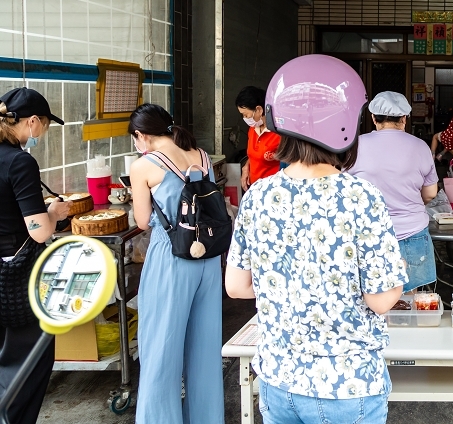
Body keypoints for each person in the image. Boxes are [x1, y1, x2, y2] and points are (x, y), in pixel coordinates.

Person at [225, 55, 407, 424]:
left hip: (279, 381)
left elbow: (237, 285)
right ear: (345, 124)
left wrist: (293, 286)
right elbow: (383, 299)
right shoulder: (361, 196)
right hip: (347, 384)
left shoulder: (258, 195)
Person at [128, 104, 224, 424]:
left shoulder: (143, 165)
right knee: (204, 351)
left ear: (141, 136)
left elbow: (143, 222)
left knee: (161, 350)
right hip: (207, 260)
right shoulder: (202, 156)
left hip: (170, 259)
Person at [0, 88, 69, 424]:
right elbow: (39, 230)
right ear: (31, 122)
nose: (42, 131)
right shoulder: (20, 161)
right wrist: (53, 212)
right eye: (44, 124)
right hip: (15, 281)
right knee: (30, 363)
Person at [348, 91, 438, 293]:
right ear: (404, 119)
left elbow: (345, 189)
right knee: (410, 298)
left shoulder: (356, 146)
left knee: (372, 296)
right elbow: (431, 193)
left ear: (373, 118)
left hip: (369, 234)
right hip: (413, 232)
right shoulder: (420, 146)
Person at [236, 86, 281, 191]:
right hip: (254, 189)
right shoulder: (252, 129)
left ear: (259, 110)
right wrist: (246, 167)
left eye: (246, 115)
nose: (245, 119)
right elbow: (254, 155)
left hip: (273, 191)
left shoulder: (280, 133)